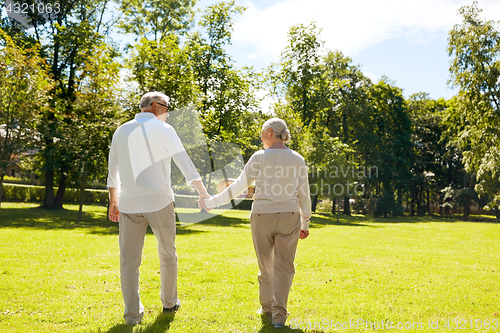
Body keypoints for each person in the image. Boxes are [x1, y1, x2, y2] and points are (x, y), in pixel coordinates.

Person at [107, 91, 210, 325]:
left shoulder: (121, 130)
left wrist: (114, 200)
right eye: (166, 107)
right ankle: (169, 302)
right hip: (160, 202)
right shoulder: (165, 130)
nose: (168, 112)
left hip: (129, 203)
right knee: (167, 254)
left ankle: (132, 315)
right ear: (154, 106)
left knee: (128, 261)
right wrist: (203, 193)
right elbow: (184, 162)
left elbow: (113, 168)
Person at [204, 118, 311, 329]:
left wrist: (213, 202)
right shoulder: (297, 159)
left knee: (266, 266)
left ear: (270, 132)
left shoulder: (259, 157)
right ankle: (279, 316)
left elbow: (238, 187)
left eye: (262, 133)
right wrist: (305, 221)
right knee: (285, 267)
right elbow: (304, 193)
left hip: (262, 216)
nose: (260, 137)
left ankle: (267, 308)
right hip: (289, 216)